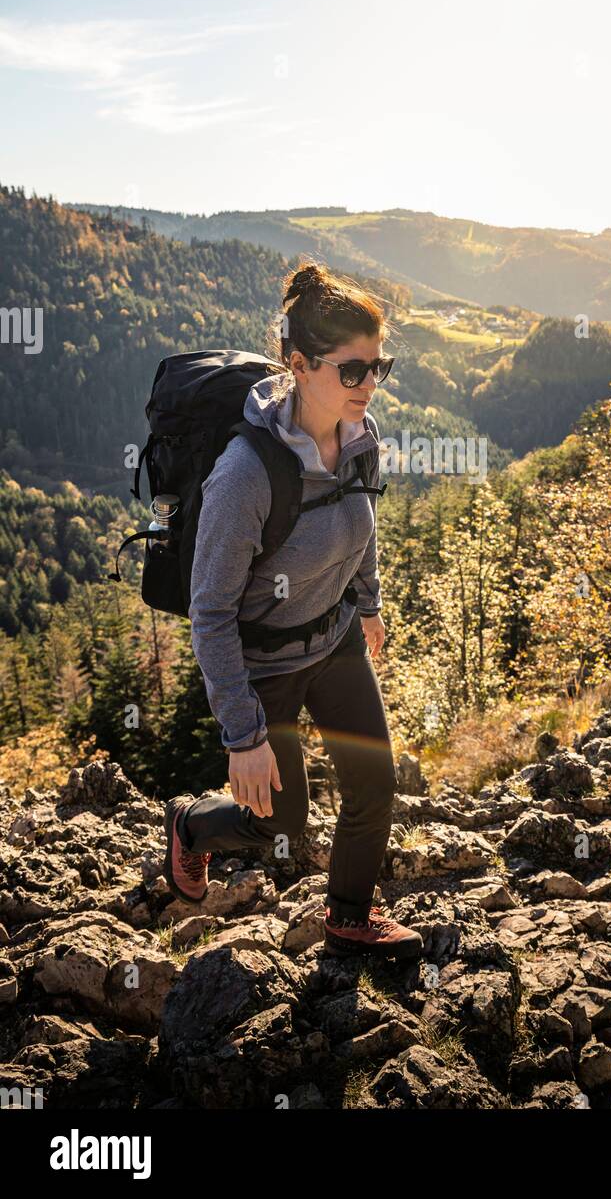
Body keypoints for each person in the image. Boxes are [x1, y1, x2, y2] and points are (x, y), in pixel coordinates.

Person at [162, 258, 422, 961]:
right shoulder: (246, 474)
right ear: (299, 364)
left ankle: (349, 919)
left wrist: (365, 605)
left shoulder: (361, 439)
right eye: (352, 371)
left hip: (333, 641)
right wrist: (242, 736)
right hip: (265, 666)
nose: (369, 386)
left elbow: (359, 527)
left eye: (378, 367)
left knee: (375, 787)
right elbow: (209, 612)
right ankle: (190, 825)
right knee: (279, 828)